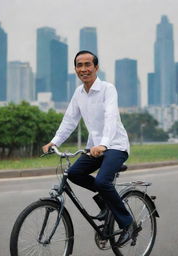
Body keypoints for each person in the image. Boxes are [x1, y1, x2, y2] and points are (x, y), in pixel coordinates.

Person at [42, 50, 135, 246]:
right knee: (74, 173)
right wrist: (54, 142)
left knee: (102, 180)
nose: (83, 69)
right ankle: (107, 201)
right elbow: (69, 120)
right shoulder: (78, 93)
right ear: (75, 69)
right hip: (95, 147)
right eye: (79, 65)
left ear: (96, 67)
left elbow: (111, 117)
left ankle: (128, 224)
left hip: (116, 145)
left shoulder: (108, 89)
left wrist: (104, 144)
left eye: (87, 65)